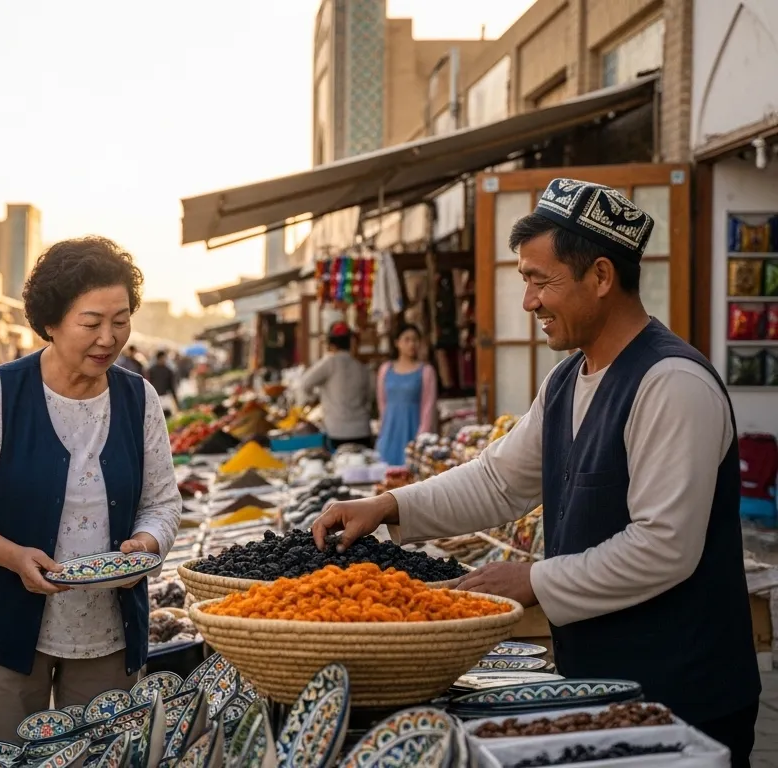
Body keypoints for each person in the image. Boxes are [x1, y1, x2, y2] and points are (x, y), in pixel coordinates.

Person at [313, 179, 760, 765]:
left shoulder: (671, 384)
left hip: (682, 693)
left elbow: (664, 547)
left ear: (601, 277)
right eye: (525, 282)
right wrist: (391, 507)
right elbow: (498, 480)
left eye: (540, 281)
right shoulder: (567, 380)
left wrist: (533, 580)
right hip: (599, 683)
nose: (529, 303)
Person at [0, 236, 181, 742]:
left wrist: (147, 547)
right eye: (91, 323)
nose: (108, 338)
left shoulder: (139, 398)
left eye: (121, 321)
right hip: (3, 629)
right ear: (50, 322)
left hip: (107, 635)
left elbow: (162, 502)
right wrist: (13, 557)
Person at [300, 322, 374, 451]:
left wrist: (314, 398)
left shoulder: (329, 363)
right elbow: (370, 397)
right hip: (362, 430)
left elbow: (305, 383)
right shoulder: (362, 368)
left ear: (331, 345)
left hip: (337, 431)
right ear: (350, 343)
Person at [374, 324, 437, 466]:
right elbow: (382, 402)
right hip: (390, 430)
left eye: (415, 340)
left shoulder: (426, 371)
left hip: (413, 429)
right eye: (407, 340)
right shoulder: (385, 369)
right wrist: (382, 431)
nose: (411, 344)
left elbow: (428, 406)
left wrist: (421, 438)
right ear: (397, 343)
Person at [146, 350, 178, 416]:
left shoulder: (169, 371)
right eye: (163, 358)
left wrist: (175, 398)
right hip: (154, 397)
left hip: (165, 397)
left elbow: (172, 386)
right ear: (158, 358)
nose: (164, 360)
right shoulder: (151, 370)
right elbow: (148, 383)